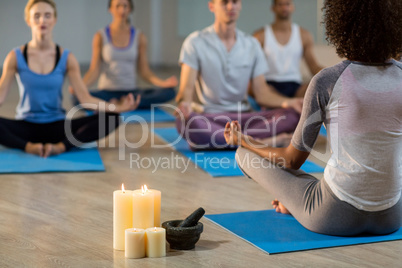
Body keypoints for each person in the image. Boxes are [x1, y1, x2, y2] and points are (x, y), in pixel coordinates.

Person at [224, 0, 402, 236]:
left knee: (244, 155)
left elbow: (291, 161)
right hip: (391, 218)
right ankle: (295, 202)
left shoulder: (327, 80)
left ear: (341, 24)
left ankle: (295, 203)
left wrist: (243, 139)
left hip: (333, 216)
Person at [0, 0, 140, 158]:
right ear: (28, 20)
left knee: (112, 118)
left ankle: (61, 147)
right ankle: (28, 147)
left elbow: (85, 98)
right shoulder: (15, 57)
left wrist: (117, 108)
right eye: (37, 16)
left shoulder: (66, 57)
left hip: (58, 127)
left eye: (47, 16)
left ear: (54, 19)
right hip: (25, 127)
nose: (42, 21)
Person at [176, 0, 303, 150]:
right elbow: (186, 91)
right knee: (185, 122)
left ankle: (217, 141)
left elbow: (262, 94)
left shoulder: (251, 44)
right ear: (212, 6)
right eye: (224, 2)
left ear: (240, 5)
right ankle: (267, 142)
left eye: (235, 2)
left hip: (245, 118)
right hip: (210, 117)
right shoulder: (195, 42)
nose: (231, 6)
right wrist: (185, 104)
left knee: (293, 115)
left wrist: (290, 102)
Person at [70, 0, 178, 109]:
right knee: (76, 98)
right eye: (117, 6)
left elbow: (145, 72)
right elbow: (94, 70)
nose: (122, 10)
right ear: (110, 9)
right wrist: (80, 87)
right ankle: (124, 104)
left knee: (170, 92)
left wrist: (163, 83)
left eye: (125, 6)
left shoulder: (139, 36)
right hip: (106, 93)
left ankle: (118, 104)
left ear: (130, 9)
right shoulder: (100, 36)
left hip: (131, 92)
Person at [252, 0, 324, 98]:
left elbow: (313, 67)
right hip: (269, 86)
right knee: (253, 87)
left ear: (292, 7)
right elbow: (251, 68)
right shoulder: (260, 36)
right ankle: (283, 103)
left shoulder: (304, 35)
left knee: (315, 87)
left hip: (296, 88)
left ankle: (286, 103)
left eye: (287, 4)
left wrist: (330, 73)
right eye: (280, 4)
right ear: (273, 8)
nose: (284, 7)